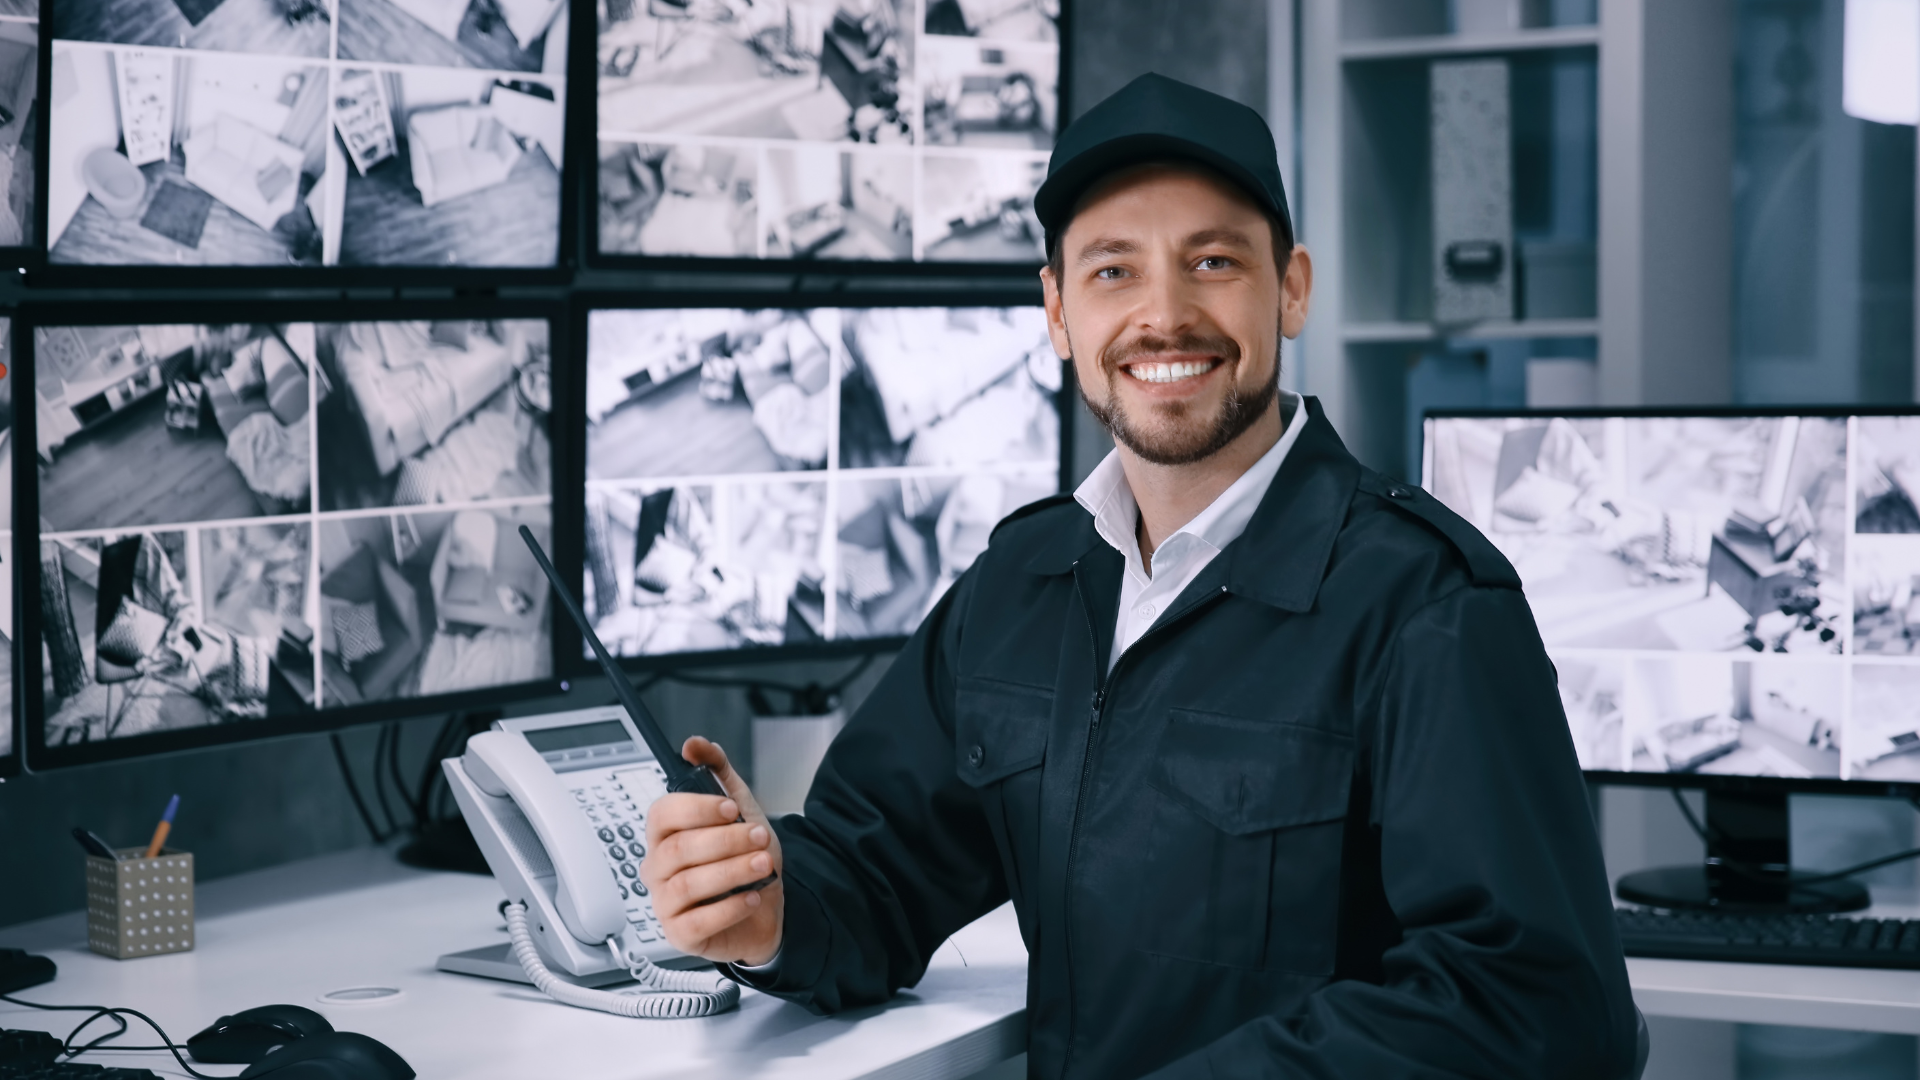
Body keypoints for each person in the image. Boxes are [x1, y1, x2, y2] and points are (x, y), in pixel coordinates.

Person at [640, 73, 1640, 1078]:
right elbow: (876, 868)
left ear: (1290, 288)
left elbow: (1532, 1007)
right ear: (1058, 312)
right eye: (1113, 272)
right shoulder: (1022, 580)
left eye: (1211, 261)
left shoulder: (1428, 607)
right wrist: (768, 911)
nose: (1164, 316)